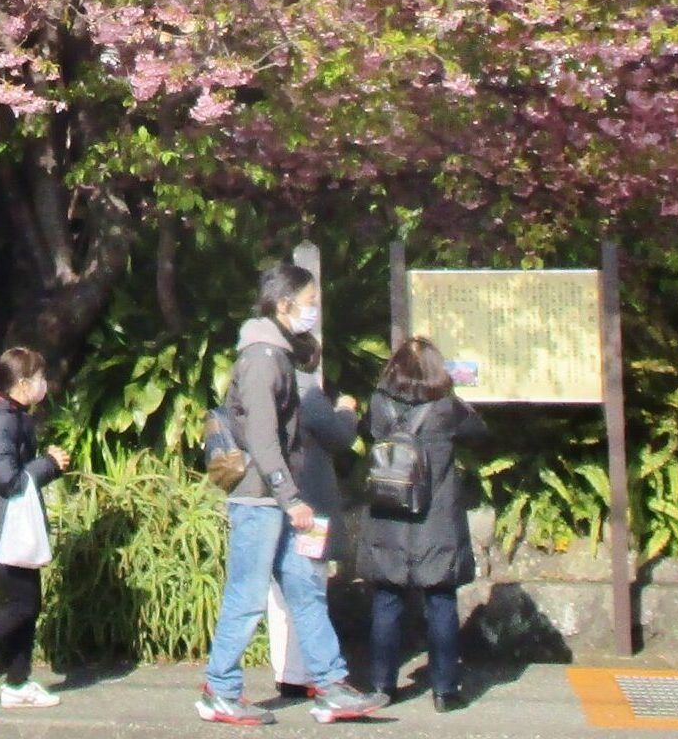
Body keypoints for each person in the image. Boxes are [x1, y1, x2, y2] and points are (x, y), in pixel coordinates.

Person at [197, 263, 383, 727]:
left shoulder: (277, 355)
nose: (313, 311)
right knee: (247, 595)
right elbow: (263, 438)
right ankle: (220, 689)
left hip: (279, 500)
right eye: (310, 301)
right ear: (284, 304)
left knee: (305, 591)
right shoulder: (261, 358)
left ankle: (331, 685)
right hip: (261, 501)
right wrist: (291, 498)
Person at [359, 336, 489, 713]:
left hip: (389, 515)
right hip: (435, 518)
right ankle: (444, 691)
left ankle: (383, 685)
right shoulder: (447, 409)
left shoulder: (378, 403)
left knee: (387, 599)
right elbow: (479, 432)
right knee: (441, 600)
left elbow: (365, 432)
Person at [0, 347, 71, 709]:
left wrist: (44, 466)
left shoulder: (12, 415)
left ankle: (17, 683)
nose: (44, 385)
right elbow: (7, 479)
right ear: (23, 384)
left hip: (8, 522)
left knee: (27, 603)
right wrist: (49, 465)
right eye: (39, 378)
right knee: (21, 602)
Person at [270, 329, 361, 701]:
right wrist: (347, 410)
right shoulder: (307, 391)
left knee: (277, 591)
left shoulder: (266, 388)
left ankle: (285, 672)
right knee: (310, 583)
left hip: (274, 500)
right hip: (311, 502)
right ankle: (306, 673)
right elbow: (339, 437)